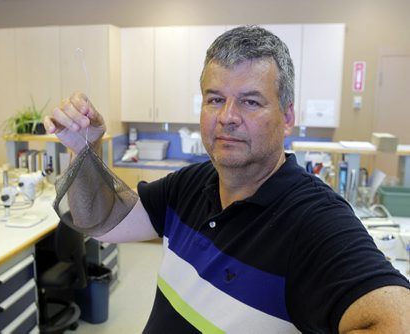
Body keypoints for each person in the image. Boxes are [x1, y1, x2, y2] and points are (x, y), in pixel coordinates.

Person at [45, 25, 410, 333]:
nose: (227, 117)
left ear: (287, 116)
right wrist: (83, 149)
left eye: (250, 101)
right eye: (215, 99)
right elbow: (101, 221)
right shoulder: (190, 184)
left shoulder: (313, 220)